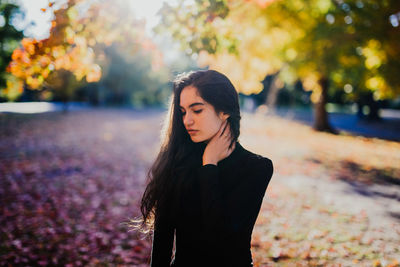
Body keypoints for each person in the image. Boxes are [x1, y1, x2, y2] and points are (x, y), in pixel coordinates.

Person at [130, 69, 274, 267]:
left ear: (225, 111)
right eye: (183, 112)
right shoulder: (176, 162)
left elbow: (225, 240)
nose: (187, 120)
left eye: (197, 110)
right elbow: (162, 244)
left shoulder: (257, 168)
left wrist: (209, 165)